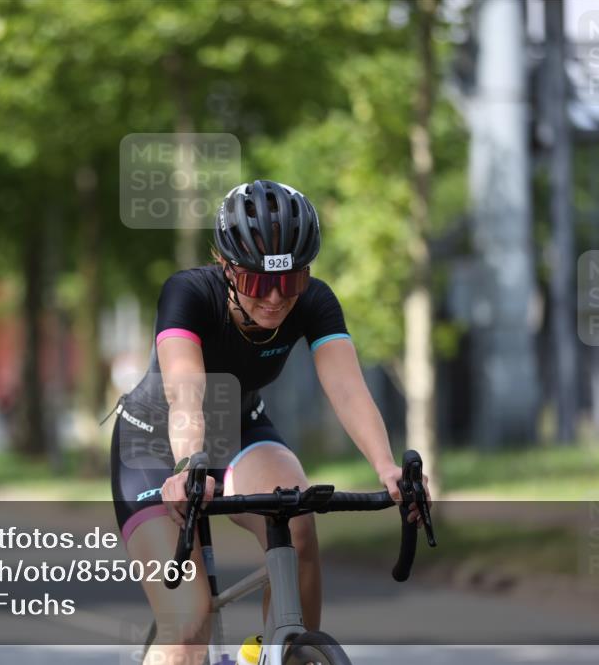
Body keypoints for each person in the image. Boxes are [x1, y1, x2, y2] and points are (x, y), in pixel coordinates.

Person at [109, 180, 431, 664]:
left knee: (297, 522)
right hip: (154, 445)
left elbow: (347, 389)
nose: (277, 297)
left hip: (241, 429)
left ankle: (281, 652)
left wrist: (387, 469)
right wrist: (187, 467)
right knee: (189, 622)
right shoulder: (188, 293)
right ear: (226, 267)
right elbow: (186, 393)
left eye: (292, 279)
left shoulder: (315, 301)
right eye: (259, 282)